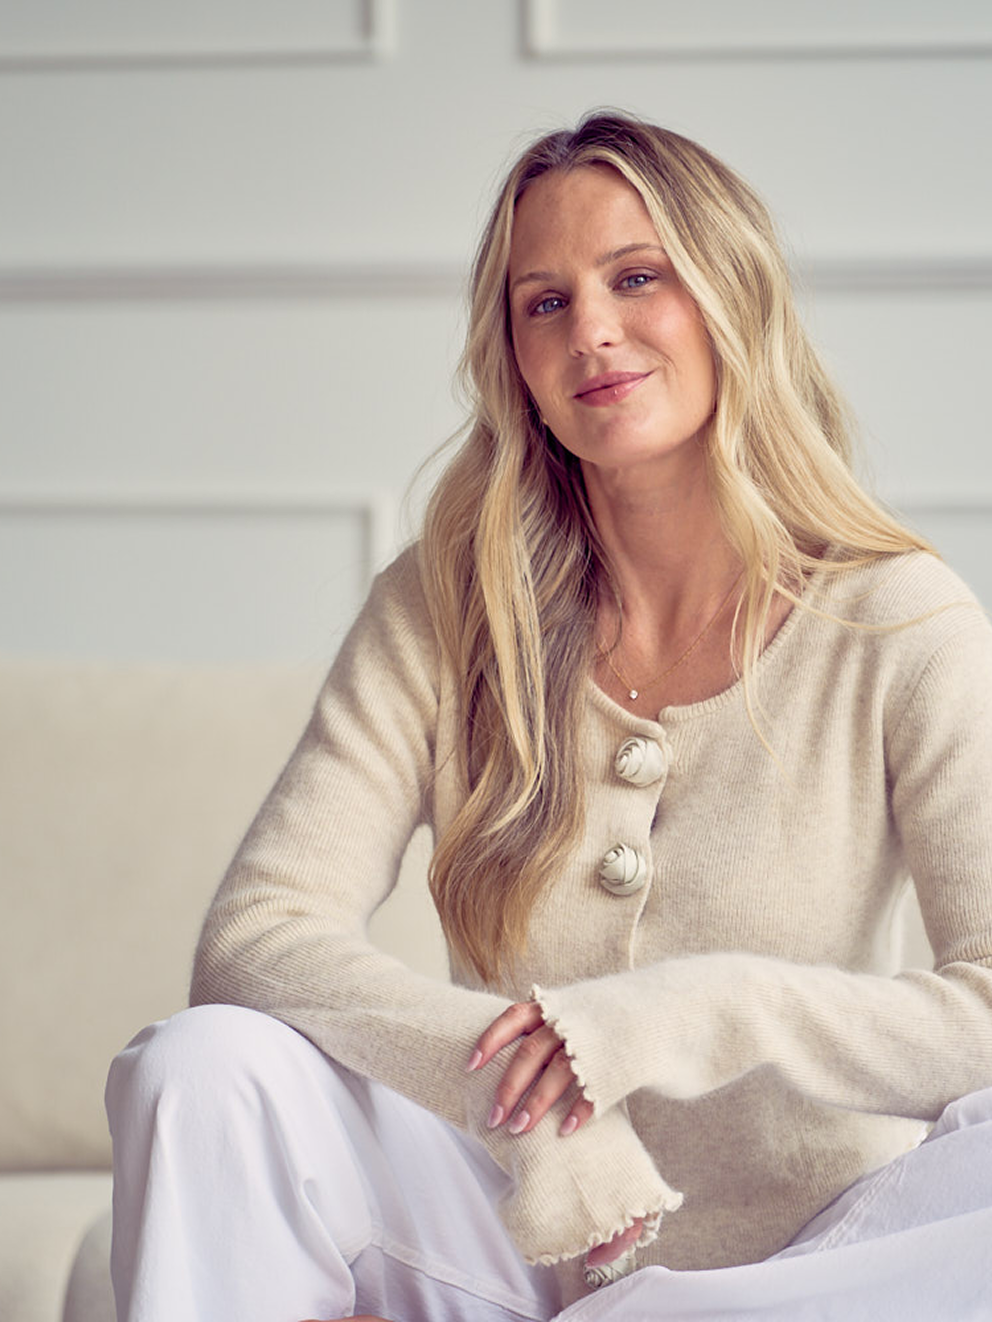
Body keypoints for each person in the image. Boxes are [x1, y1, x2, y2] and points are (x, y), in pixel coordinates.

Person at [106, 112, 992, 1322]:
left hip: (814, 1273)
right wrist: (518, 1103)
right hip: (513, 1249)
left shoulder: (901, 621)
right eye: (543, 302)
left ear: (728, 292)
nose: (593, 331)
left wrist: (687, 1009)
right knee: (200, 1066)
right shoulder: (444, 606)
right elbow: (257, 932)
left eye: (637, 277)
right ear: (510, 354)